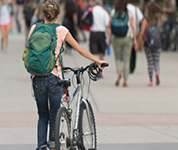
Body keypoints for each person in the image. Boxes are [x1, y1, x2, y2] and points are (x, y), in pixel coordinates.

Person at [28, 1, 107, 149]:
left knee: (42, 116)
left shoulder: (34, 28)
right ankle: (53, 145)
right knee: (53, 116)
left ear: (43, 13)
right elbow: (80, 50)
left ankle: (40, 146)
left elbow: (31, 50)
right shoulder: (61, 30)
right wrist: (97, 60)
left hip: (37, 78)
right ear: (58, 14)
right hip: (54, 77)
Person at [108, 0, 138, 87]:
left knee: (117, 58)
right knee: (126, 59)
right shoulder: (128, 14)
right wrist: (135, 40)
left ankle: (119, 71)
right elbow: (132, 27)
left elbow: (108, 25)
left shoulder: (113, 13)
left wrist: (110, 37)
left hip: (116, 38)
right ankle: (125, 81)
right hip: (127, 38)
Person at [138, 2, 163, 86]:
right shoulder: (158, 19)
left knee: (150, 61)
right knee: (156, 61)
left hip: (148, 44)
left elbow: (141, 33)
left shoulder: (145, 20)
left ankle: (151, 80)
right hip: (157, 43)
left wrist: (139, 43)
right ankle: (156, 72)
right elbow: (160, 28)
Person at [127, 3, 144, 73]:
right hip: (134, 32)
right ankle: (132, 67)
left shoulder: (121, 7)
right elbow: (141, 19)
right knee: (133, 51)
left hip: (124, 32)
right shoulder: (135, 9)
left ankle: (126, 66)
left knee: (126, 51)